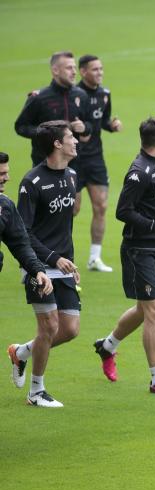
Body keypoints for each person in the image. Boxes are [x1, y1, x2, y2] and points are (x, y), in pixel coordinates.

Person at [93, 117, 155, 394]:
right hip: (139, 250)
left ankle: (107, 346)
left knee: (142, 309)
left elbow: (154, 200)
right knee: (154, 312)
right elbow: (123, 210)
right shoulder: (139, 171)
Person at [7, 122, 81, 408]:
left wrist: (68, 261)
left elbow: (63, 228)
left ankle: (21, 352)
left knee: (70, 329)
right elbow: (23, 232)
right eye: (70, 137)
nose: (76, 140)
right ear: (57, 145)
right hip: (39, 265)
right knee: (49, 326)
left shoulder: (72, 175)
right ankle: (36, 392)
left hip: (64, 265)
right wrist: (51, 258)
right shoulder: (32, 183)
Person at [1, 152, 54, 394]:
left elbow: (21, 243)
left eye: (6, 172)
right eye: (1, 174)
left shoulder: (5, 206)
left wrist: (38, 270)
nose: (7, 178)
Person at [73, 54, 123, 273]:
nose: (99, 73)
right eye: (95, 70)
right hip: (72, 159)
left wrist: (111, 125)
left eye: (101, 69)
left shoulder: (105, 94)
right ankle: (59, 255)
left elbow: (101, 120)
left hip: (95, 158)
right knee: (71, 209)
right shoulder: (73, 95)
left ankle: (94, 258)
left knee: (101, 206)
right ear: (82, 72)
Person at [14, 51, 93, 166]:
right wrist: (45, 133)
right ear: (55, 70)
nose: (74, 72)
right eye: (69, 68)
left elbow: (90, 124)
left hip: (73, 164)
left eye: (74, 68)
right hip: (44, 164)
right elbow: (20, 126)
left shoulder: (81, 95)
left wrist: (84, 127)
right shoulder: (39, 98)